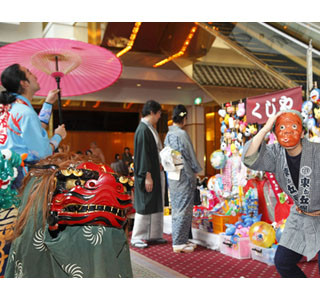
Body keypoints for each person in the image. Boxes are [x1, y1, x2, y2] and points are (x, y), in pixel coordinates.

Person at [0, 63, 67, 276]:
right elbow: (42, 153)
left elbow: (29, 133)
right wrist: (58, 137)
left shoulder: (10, 109)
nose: (35, 73)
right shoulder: (24, 112)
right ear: (24, 83)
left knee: (6, 232)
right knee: (22, 233)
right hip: (19, 179)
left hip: (5, 176)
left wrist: (47, 103)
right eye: (30, 72)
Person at [242, 109, 320, 278]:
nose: (287, 131)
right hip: (300, 215)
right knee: (283, 261)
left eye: (293, 126)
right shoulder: (276, 154)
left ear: (302, 132)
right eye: (281, 127)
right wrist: (264, 129)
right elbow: (249, 157)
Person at [163, 105, 202, 253]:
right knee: (184, 207)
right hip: (184, 174)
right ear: (184, 118)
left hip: (173, 174)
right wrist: (197, 170)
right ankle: (179, 242)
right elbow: (190, 154)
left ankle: (182, 239)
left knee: (178, 206)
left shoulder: (168, 134)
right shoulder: (181, 134)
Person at [131, 100, 167, 248]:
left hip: (154, 172)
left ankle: (154, 234)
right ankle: (137, 236)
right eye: (158, 114)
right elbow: (143, 155)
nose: (159, 117)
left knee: (155, 203)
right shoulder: (143, 130)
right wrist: (147, 176)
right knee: (145, 204)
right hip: (147, 174)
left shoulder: (149, 128)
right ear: (152, 112)